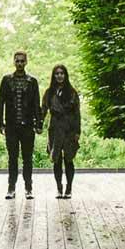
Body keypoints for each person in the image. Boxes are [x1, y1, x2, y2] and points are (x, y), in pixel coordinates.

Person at [0, 48, 41, 199]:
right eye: (17, 60)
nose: (20, 63)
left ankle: (29, 188)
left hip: (27, 126)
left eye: (22, 61)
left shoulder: (32, 81)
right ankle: (11, 188)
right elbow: (1, 102)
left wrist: (38, 123)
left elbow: (36, 104)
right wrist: (0, 123)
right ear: (14, 62)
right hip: (11, 126)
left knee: (28, 158)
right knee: (12, 157)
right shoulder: (6, 80)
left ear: (26, 62)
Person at [42, 63, 81, 199]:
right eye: (57, 73)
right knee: (56, 159)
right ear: (54, 76)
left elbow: (77, 113)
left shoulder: (72, 92)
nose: (59, 76)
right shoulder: (49, 92)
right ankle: (59, 187)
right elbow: (43, 110)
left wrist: (77, 132)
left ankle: (69, 187)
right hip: (55, 128)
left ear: (65, 75)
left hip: (69, 128)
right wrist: (38, 124)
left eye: (62, 73)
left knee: (69, 159)